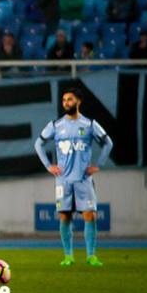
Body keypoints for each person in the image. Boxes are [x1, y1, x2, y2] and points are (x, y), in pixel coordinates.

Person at [34, 88, 112, 267]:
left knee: (90, 215)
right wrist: (48, 166)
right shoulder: (56, 125)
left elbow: (108, 143)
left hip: (84, 179)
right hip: (63, 181)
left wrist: (98, 164)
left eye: (69, 99)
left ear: (78, 101)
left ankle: (91, 256)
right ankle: (68, 256)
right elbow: (38, 144)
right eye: (64, 100)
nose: (66, 103)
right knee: (64, 216)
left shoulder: (89, 124)